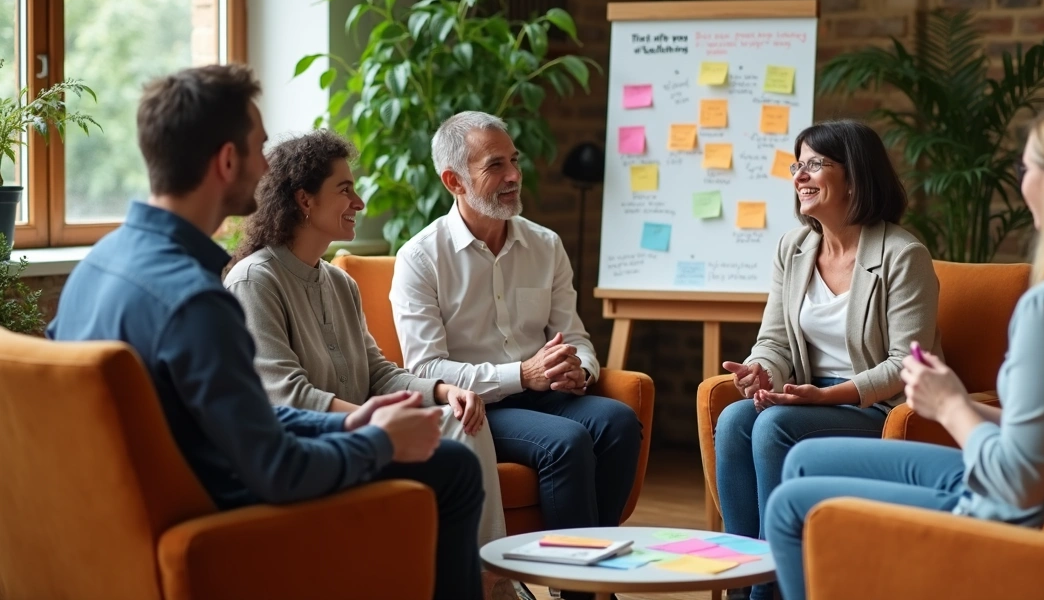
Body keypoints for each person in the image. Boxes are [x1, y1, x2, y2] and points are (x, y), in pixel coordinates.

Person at [46, 65, 485, 600]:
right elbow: (277, 470)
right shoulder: (198, 303)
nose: (264, 164)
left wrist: (348, 427)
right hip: (229, 515)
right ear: (227, 161)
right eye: (257, 147)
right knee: (455, 467)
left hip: (121, 521)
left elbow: (243, 415)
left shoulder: (98, 265)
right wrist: (376, 442)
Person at [763, 96, 1044, 600]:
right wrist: (960, 401)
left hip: (1013, 515)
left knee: (790, 504)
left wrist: (949, 405)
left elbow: (1016, 481)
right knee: (803, 461)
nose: (1022, 183)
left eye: (1027, 166)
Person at [222, 129, 522, 599]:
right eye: (345, 190)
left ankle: (491, 581)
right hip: (311, 444)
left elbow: (380, 373)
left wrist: (445, 392)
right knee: (455, 454)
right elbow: (286, 396)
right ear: (304, 200)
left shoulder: (340, 284)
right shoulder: (255, 281)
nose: (359, 202)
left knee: (467, 420)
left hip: (366, 430)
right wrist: (379, 422)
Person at [390, 110, 642, 600]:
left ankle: (597, 573)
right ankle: (577, 593)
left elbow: (576, 335)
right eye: (495, 166)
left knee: (617, 421)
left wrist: (579, 370)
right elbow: (423, 368)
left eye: (514, 161)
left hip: (545, 394)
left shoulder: (545, 244)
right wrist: (521, 374)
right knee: (566, 442)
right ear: (454, 181)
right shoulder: (420, 258)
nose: (513, 176)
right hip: (476, 408)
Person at [713, 119, 942, 600]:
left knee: (775, 426)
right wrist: (762, 370)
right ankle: (741, 584)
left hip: (878, 407)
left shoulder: (904, 255)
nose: (799, 174)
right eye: (798, 164)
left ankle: (768, 591)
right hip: (808, 395)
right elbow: (773, 340)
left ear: (855, 177)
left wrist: (827, 396)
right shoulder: (793, 249)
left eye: (815, 163)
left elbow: (907, 362)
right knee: (735, 419)